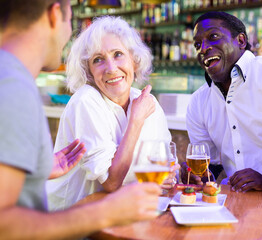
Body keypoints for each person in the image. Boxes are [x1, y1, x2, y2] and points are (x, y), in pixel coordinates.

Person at [0, 1, 161, 239]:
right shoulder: (12, 86)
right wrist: (105, 212)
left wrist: (34, 171)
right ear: (55, 15)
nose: (69, 35)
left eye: (118, 55)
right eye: (70, 19)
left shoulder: (11, 78)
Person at [46, 15, 175, 211]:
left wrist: (171, 174)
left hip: (123, 212)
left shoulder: (148, 102)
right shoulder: (86, 101)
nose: (111, 68)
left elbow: (163, 163)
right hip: (74, 222)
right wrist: (136, 120)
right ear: (88, 72)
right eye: (98, 60)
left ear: (134, 60)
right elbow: (112, 182)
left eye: (118, 54)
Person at [181, 11, 262, 191]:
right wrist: (199, 176)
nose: (203, 48)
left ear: (241, 41)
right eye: (197, 44)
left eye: (213, 37)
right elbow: (211, 165)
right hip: (237, 202)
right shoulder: (198, 102)